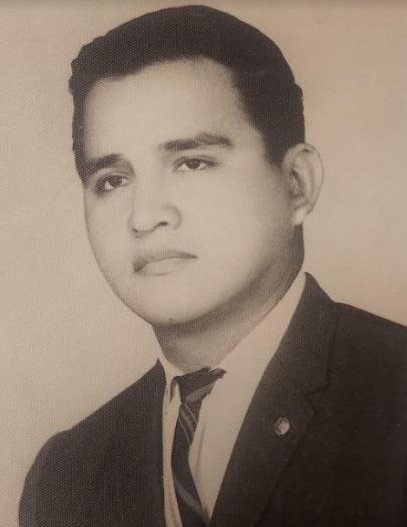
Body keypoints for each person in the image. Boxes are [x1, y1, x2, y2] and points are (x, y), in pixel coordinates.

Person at [20, 5, 407, 526]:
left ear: (297, 183)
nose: (145, 216)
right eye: (112, 180)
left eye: (192, 162)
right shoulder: (67, 475)